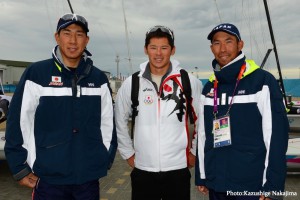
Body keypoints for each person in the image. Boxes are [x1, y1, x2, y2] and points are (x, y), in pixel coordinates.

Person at [4, 13, 117, 200]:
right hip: (48, 180)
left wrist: (103, 158)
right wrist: (19, 167)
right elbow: (18, 121)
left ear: (87, 40)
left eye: (79, 34)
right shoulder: (36, 74)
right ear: (57, 37)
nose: (73, 40)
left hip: (87, 181)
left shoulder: (98, 79)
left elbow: (108, 124)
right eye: (67, 33)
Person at [195, 23, 289, 200]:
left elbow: (276, 138)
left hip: (251, 187)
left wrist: (273, 188)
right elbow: (203, 135)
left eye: (229, 41)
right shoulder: (209, 87)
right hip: (217, 185)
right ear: (211, 48)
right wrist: (202, 174)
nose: (222, 48)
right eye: (217, 43)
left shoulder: (262, 82)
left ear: (240, 45)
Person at [115, 25, 202, 200]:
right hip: (143, 171)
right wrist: (128, 153)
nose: (158, 53)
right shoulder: (132, 83)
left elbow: (203, 122)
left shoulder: (189, 81)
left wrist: (194, 152)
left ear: (173, 50)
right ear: (146, 49)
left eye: (164, 48)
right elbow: (119, 120)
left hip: (178, 170)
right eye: (153, 47)